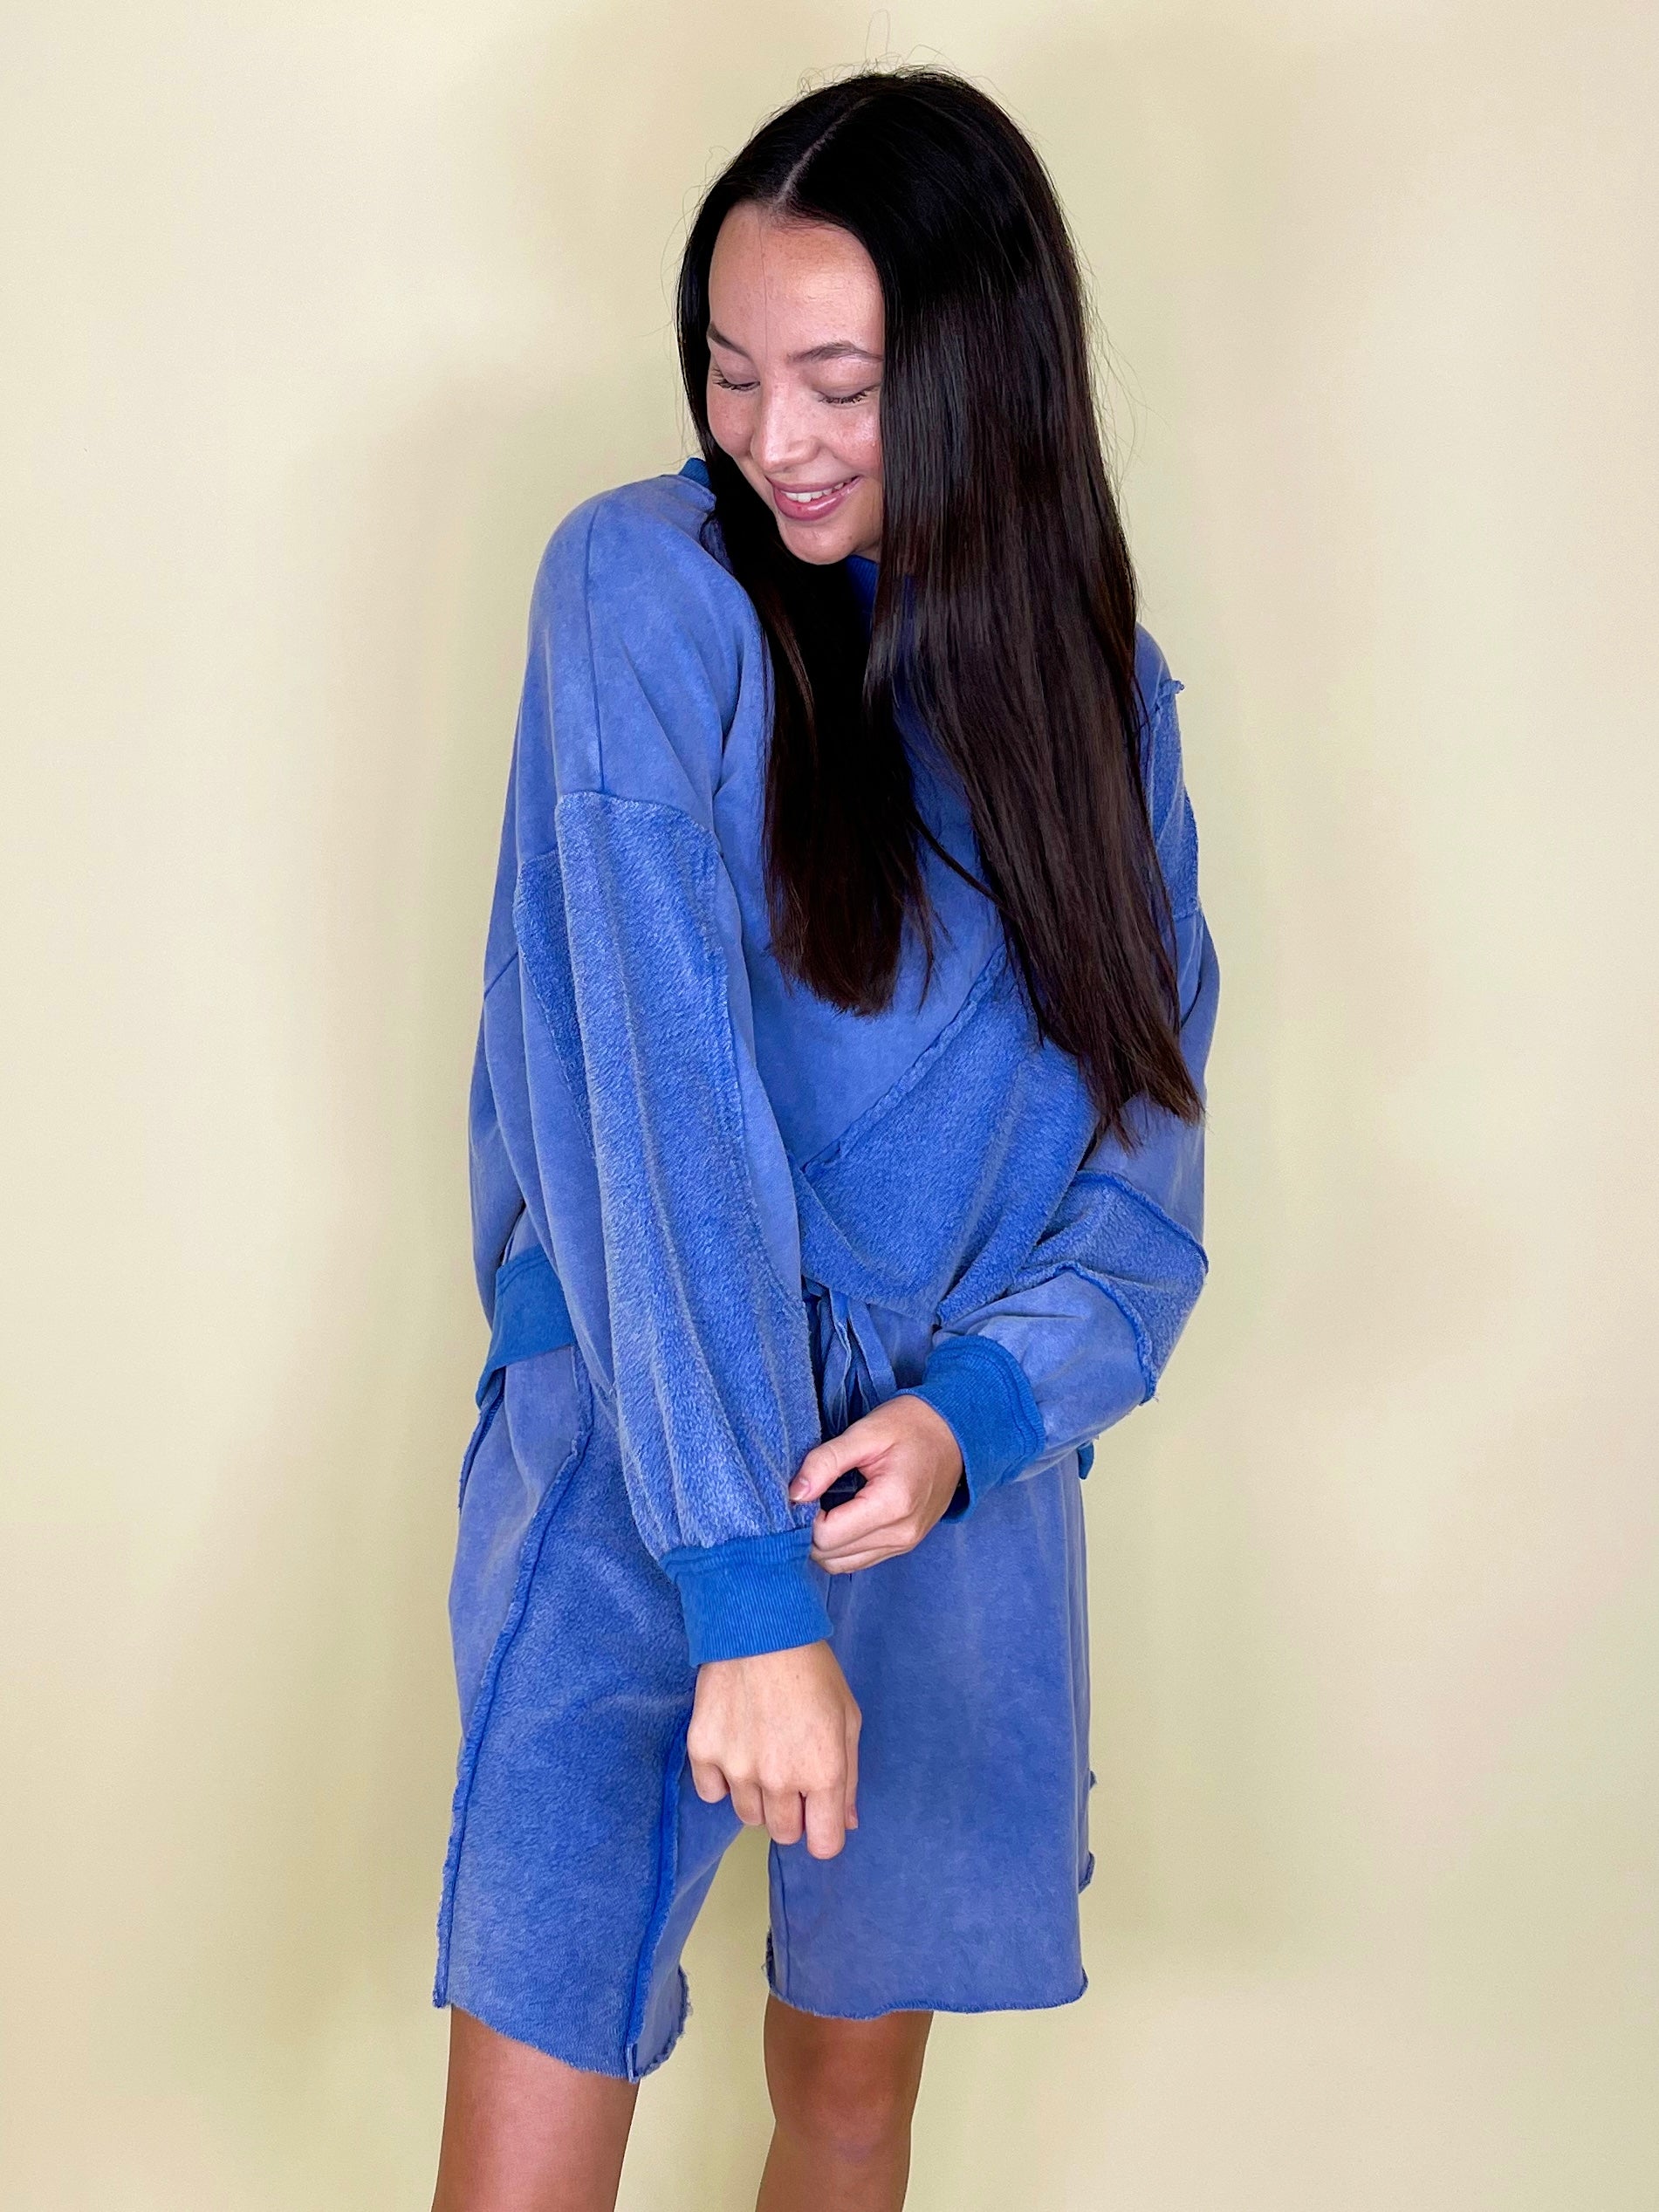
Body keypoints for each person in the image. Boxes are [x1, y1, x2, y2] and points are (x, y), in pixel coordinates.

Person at [429, 63, 1219, 2212]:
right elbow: (646, 1093)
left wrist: (970, 1418)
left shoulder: (1096, 702)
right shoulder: (641, 592)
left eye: (843, 385)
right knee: (525, 2140)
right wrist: (743, 1585)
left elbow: (1141, 1185)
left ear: (979, 373)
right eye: (730, 368)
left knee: (854, 2106)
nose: (772, 434)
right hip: (646, 1444)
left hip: (932, 1485)